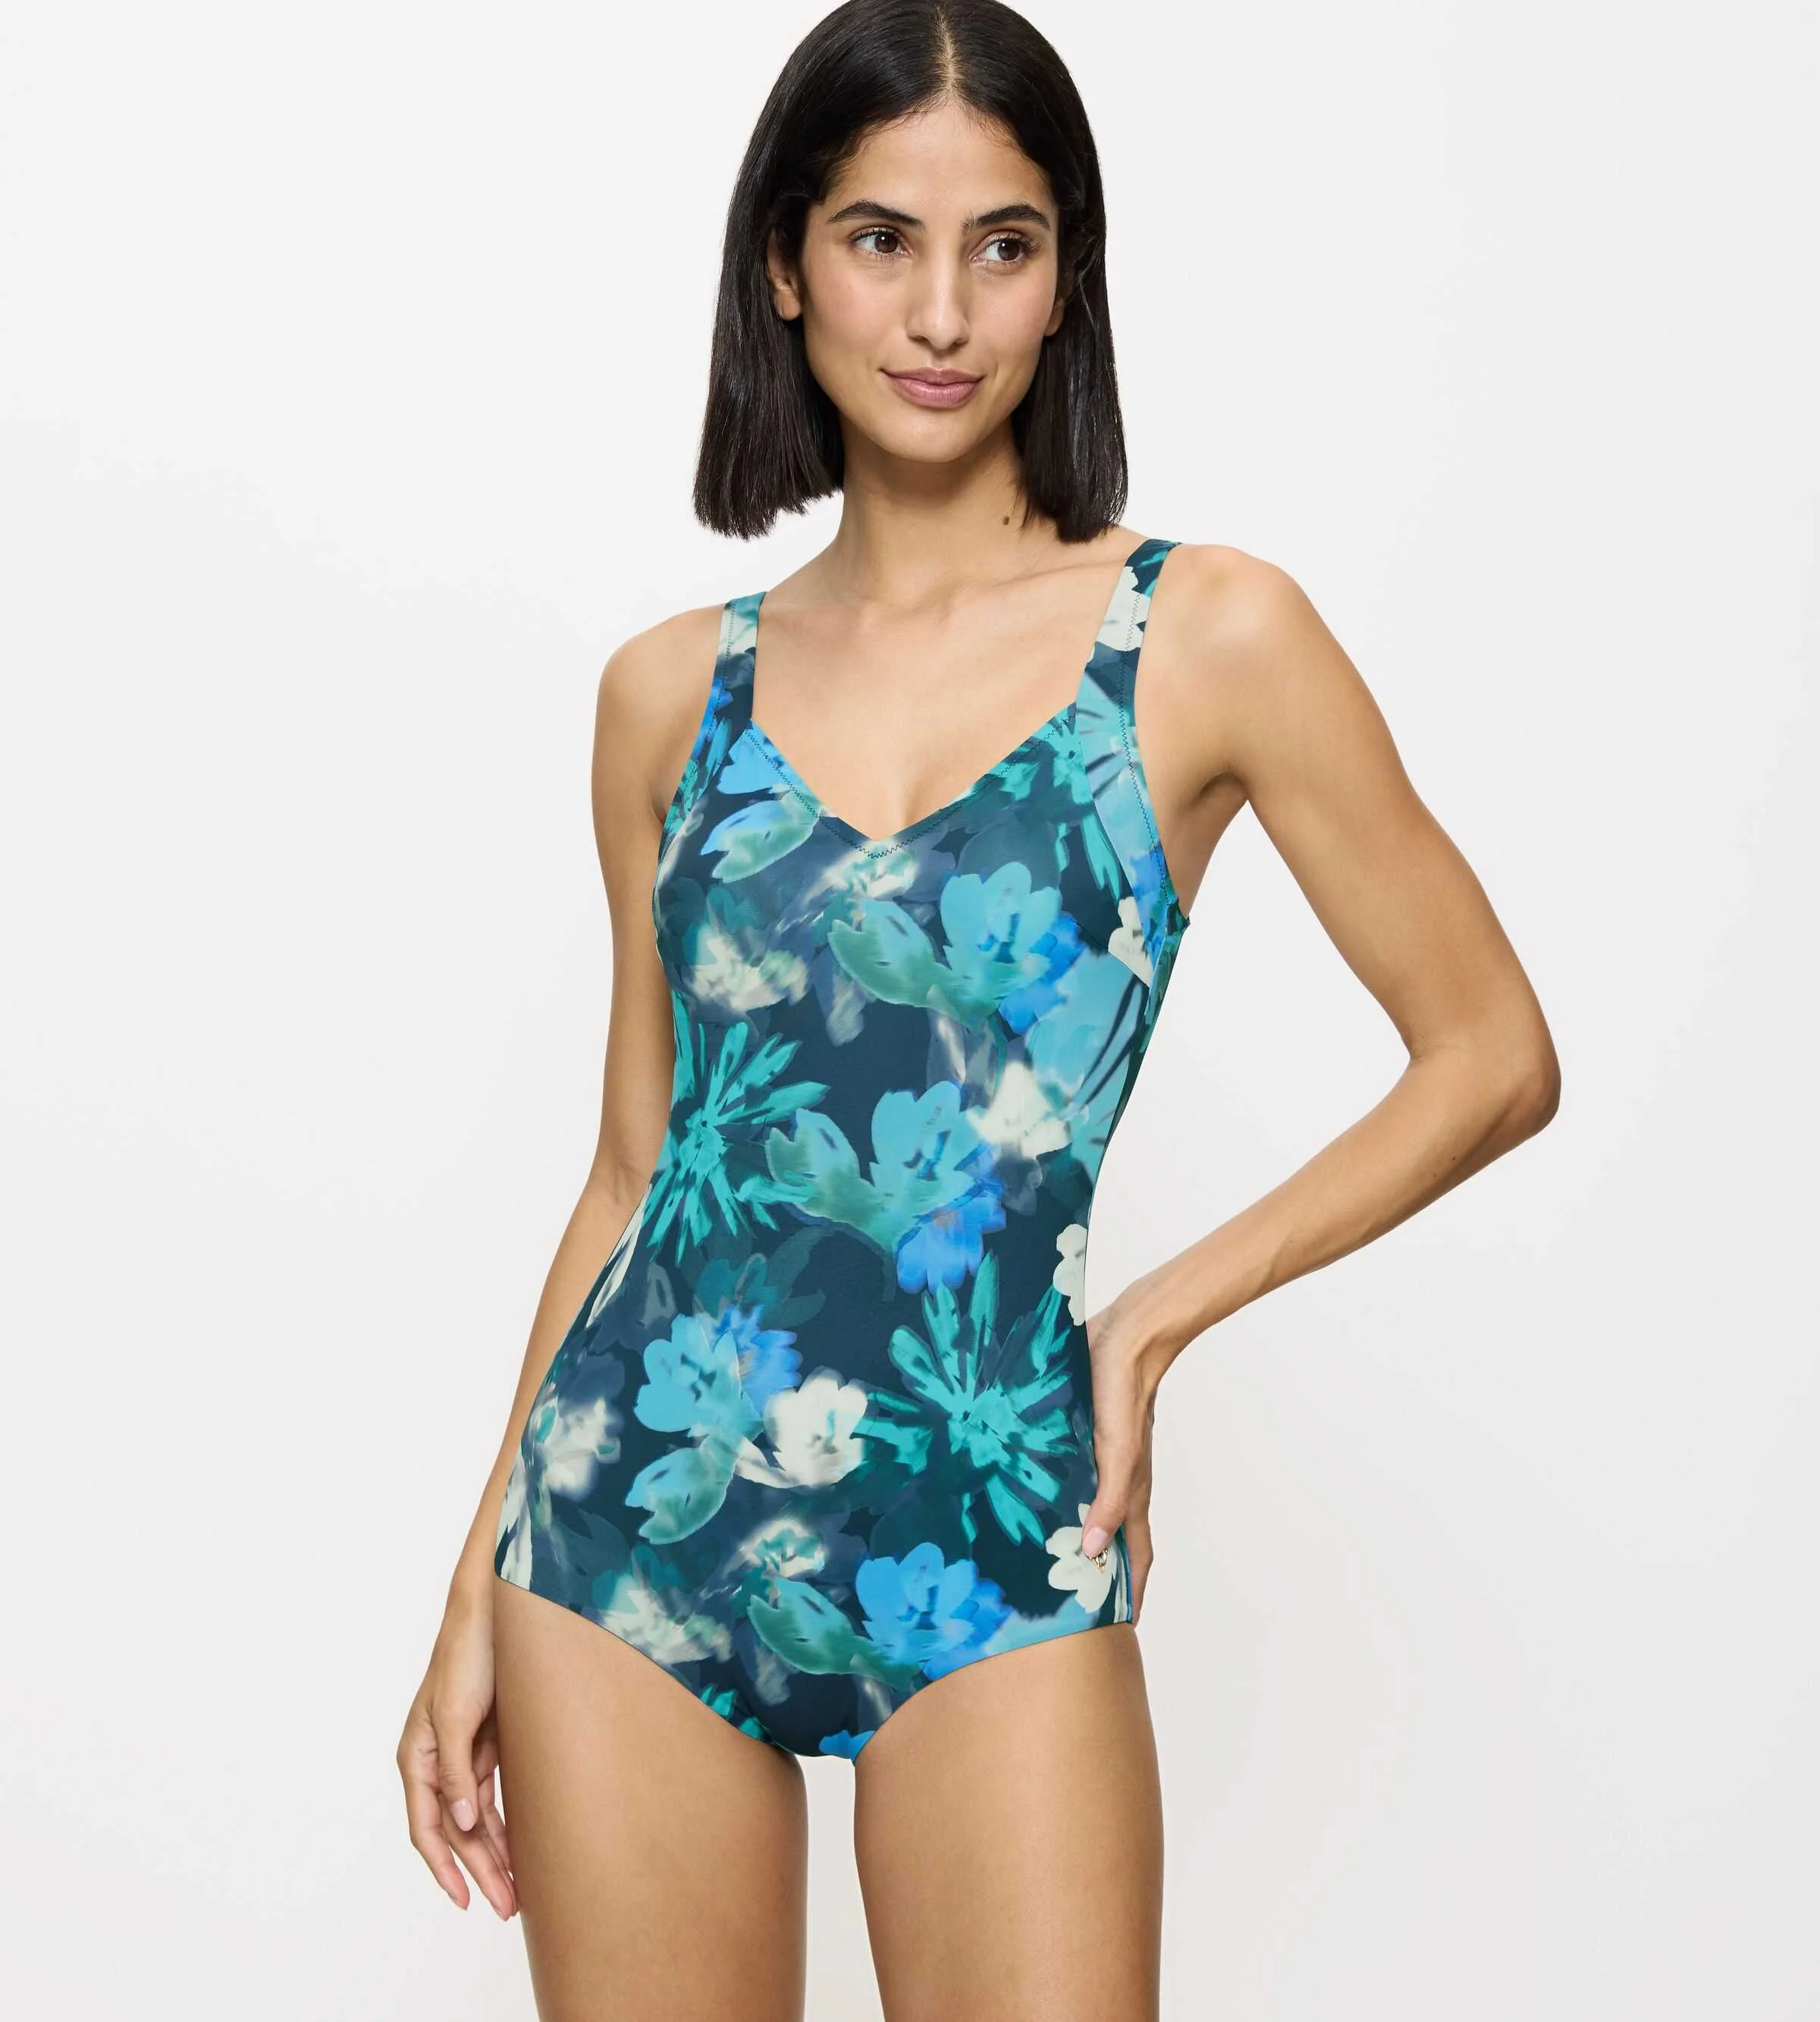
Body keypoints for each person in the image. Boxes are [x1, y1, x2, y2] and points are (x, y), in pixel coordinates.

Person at [395, 2, 1560, 2014]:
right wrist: (472, 1586)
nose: (942, 312)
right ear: (785, 263)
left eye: (1003, 245)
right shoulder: (669, 695)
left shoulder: (1204, 636)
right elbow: (635, 1168)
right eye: (881, 239)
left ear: (1066, 276)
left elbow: (1493, 1055)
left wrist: (1152, 1321)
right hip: (626, 1537)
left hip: (996, 1519)